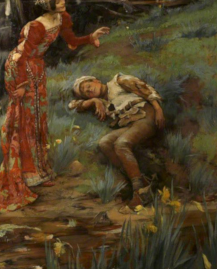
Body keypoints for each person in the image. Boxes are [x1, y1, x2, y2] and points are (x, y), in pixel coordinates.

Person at [0, 0, 109, 212]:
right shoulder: (37, 26)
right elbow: (22, 57)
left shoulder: (62, 18)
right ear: (48, 4)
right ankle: (26, 173)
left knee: (38, 116)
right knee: (25, 118)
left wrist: (90, 38)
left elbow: (71, 41)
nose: (63, 1)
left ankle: (38, 171)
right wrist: (22, 85)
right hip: (20, 68)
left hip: (35, 66)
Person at [69, 73, 164, 206]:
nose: (89, 90)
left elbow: (144, 88)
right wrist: (94, 101)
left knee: (121, 144)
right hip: (131, 124)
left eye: (89, 86)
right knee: (105, 143)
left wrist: (158, 109)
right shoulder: (102, 101)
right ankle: (140, 181)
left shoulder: (118, 82)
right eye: (86, 93)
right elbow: (73, 105)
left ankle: (139, 192)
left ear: (96, 80)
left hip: (146, 116)